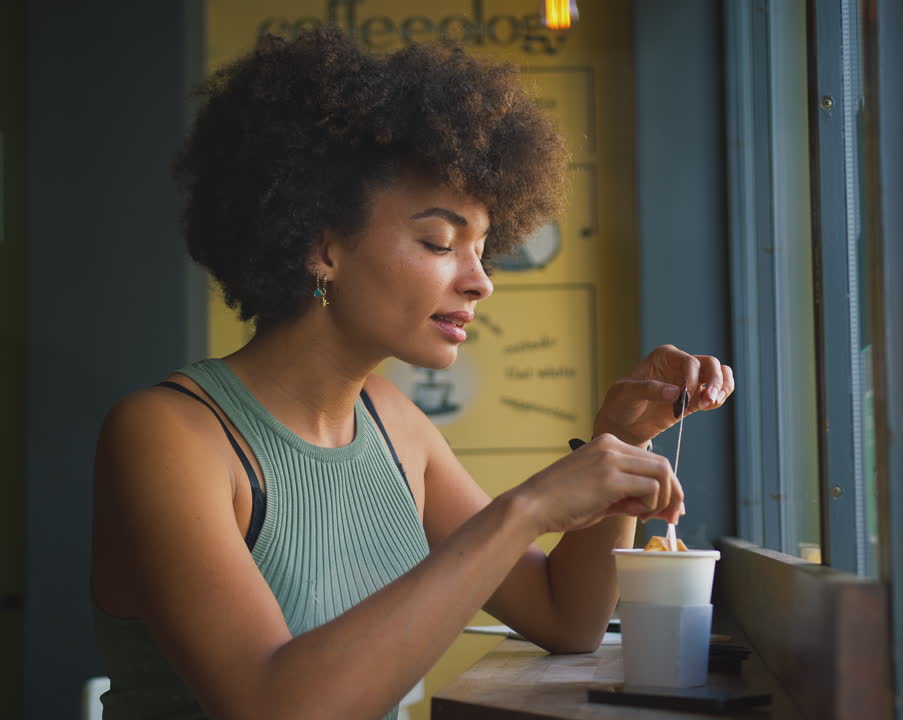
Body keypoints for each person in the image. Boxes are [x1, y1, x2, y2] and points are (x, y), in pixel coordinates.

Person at [90, 27, 734, 720]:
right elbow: (273, 704)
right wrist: (526, 507)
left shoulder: (393, 423)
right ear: (321, 243)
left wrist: (622, 437)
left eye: (484, 251)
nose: (481, 282)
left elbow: (565, 619)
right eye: (439, 242)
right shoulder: (167, 436)